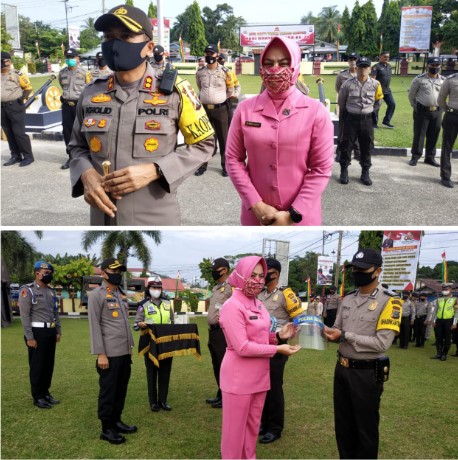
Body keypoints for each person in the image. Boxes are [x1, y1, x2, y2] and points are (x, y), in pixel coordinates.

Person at [68, 5, 214, 225]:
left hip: (155, 216)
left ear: (149, 47)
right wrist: (85, 174)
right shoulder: (91, 92)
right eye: (109, 36)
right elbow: (77, 146)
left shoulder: (176, 91)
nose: (115, 44)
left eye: (126, 36)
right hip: (102, 217)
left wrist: (155, 170)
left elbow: (205, 144)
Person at [226, 36, 334, 226]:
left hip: (301, 218)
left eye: (283, 63)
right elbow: (233, 159)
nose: (275, 69)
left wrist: (293, 213)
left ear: (296, 66)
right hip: (256, 216)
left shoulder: (316, 113)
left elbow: (321, 169)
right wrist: (256, 204)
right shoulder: (245, 110)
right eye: (269, 63)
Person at [219, 256, 300, 459]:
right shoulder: (232, 306)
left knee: (252, 428)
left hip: (259, 378)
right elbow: (243, 347)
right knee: (234, 433)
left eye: (260, 276)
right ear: (239, 275)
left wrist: (280, 336)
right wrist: (278, 349)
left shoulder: (258, 303)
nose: (257, 280)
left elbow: (261, 336)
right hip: (238, 379)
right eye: (251, 275)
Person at [324, 248, 402, 459]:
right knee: (343, 426)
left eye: (362, 268)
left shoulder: (390, 301)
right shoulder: (348, 299)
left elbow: (381, 343)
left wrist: (345, 335)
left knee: (365, 430)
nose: (356, 272)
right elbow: (336, 329)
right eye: (354, 268)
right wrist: (321, 333)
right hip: (342, 370)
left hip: (366, 374)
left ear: (377, 271)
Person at [88, 258, 136, 444]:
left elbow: (125, 324)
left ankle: (117, 420)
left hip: (124, 352)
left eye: (119, 271)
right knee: (108, 391)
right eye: (114, 271)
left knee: (121, 389)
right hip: (108, 354)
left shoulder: (120, 294)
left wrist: (130, 346)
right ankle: (106, 428)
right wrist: (100, 353)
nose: (118, 274)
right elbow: (95, 325)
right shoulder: (97, 295)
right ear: (103, 273)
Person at [258, 258, 304, 444]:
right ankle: (263, 422)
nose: (261, 276)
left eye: (264, 272)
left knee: (274, 388)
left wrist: (286, 336)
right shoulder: (260, 294)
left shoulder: (286, 293)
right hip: (261, 347)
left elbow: (299, 318)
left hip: (278, 348)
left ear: (275, 274)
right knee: (261, 387)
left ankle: (275, 427)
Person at [18, 261, 61, 409]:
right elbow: (24, 316)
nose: (49, 275)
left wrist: (58, 330)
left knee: (48, 365)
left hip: (50, 331)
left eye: (50, 273)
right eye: (46, 272)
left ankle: (46, 392)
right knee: (37, 366)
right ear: (37, 273)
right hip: (36, 333)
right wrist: (29, 337)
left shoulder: (51, 292)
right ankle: (38, 396)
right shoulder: (27, 291)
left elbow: (55, 312)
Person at [195, 44, 239, 177]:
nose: (209, 56)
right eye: (207, 53)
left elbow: (231, 89)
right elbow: (200, 86)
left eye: (212, 54)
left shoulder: (226, 72)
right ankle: (203, 165)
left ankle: (225, 165)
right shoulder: (200, 72)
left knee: (223, 139)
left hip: (221, 109)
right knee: (205, 138)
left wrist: (229, 97)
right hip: (204, 110)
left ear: (217, 55)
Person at [338, 56, 383, 186]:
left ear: (370, 69)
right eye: (360, 67)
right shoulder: (347, 84)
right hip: (351, 119)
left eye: (365, 67)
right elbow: (342, 102)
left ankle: (365, 172)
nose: (363, 69)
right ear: (356, 68)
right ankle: (344, 170)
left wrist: (368, 111)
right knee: (346, 146)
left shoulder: (376, 84)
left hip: (366, 120)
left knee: (367, 147)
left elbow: (378, 102)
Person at [134, 276, 174, 412]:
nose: (156, 290)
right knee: (152, 373)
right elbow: (136, 322)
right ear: (148, 289)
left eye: (158, 287)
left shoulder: (168, 303)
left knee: (165, 372)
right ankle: (153, 402)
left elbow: (172, 321)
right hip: (150, 343)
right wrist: (140, 323)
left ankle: (163, 400)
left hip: (166, 343)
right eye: (153, 287)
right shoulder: (143, 304)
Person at [205, 258, 232, 409]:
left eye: (217, 269)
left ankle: (226, 396)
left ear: (225, 270)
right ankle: (220, 393)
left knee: (224, 365)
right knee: (216, 364)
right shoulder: (216, 288)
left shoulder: (231, 287)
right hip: (213, 332)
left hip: (223, 332)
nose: (214, 271)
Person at [59, 48, 92, 170]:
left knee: (83, 131)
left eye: (72, 57)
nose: (70, 60)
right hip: (67, 105)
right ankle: (71, 157)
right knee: (67, 131)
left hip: (80, 105)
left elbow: (90, 89)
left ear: (77, 58)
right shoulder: (62, 73)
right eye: (67, 57)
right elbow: (62, 86)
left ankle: (86, 157)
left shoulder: (85, 73)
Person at [408, 57, 444, 167]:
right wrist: (416, 107)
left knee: (434, 134)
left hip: (437, 112)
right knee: (419, 135)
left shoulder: (443, 80)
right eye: (432, 65)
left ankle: (430, 157)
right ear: (427, 66)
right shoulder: (419, 79)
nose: (435, 68)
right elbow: (411, 95)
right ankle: (415, 157)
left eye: (437, 65)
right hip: (422, 111)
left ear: (440, 66)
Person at [1, 51, 35, 167]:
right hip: (2, 107)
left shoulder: (17, 74)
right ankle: (15, 156)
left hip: (15, 106)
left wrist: (22, 99)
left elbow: (28, 88)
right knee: (8, 133)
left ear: (8, 62)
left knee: (19, 133)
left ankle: (28, 156)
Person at [334, 52, 360, 163]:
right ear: (348, 61)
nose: (352, 61)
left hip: (359, 107)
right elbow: (338, 89)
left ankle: (358, 153)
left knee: (358, 131)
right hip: (345, 107)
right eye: (350, 59)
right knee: (343, 131)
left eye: (354, 59)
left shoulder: (362, 74)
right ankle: (340, 153)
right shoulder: (342, 75)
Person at [437, 71, 458, 188]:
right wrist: (450, 111)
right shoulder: (451, 80)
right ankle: (445, 176)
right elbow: (441, 99)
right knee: (447, 146)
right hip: (453, 116)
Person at [430, 283, 458, 361]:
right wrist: (433, 321)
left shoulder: (455, 299)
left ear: (450, 289)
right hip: (439, 320)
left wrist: (455, 323)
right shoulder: (439, 299)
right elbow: (435, 311)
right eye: (443, 289)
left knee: (447, 338)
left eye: (446, 289)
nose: (445, 291)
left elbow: (456, 312)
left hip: (449, 321)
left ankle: (444, 354)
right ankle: (439, 353)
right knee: (438, 337)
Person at [371, 51, 395, 128]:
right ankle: (374, 123)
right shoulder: (376, 67)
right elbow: (373, 79)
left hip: (387, 90)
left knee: (392, 104)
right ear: (380, 57)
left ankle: (386, 121)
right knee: (376, 107)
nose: (386, 58)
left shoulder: (389, 66)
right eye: (385, 56)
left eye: (388, 57)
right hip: (378, 91)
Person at [217, 52, 241, 126]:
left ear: (224, 61)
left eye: (221, 59)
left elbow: (237, 86)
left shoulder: (229, 72)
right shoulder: (209, 73)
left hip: (228, 102)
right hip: (215, 103)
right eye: (218, 59)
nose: (219, 61)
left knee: (229, 124)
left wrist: (235, 95)